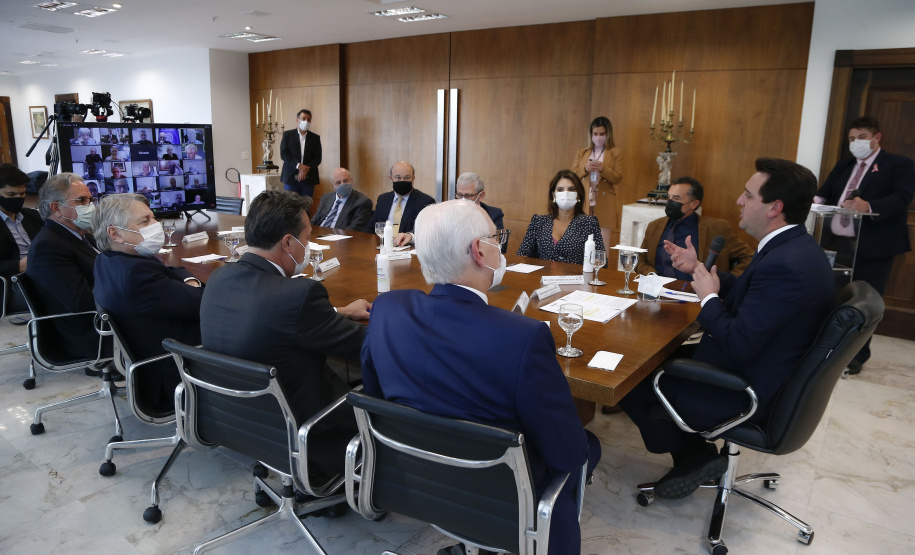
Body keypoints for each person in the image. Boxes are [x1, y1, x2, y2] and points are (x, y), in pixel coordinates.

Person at [361, 200, 601, 554]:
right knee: (587, 446)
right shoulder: (524, 336)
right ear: (479, 251)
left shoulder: (386, 309)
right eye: (496, 237)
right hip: (503, 502)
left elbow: (375, 397)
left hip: (414, 482)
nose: (499, 244)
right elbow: (566, 455)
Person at [619, 158, 835, 500]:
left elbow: (737, 343)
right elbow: (756, 296)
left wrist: (707, 300)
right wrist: (700, 273)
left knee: (629, 375)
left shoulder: (786, 266)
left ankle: (693, 455)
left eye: (748, 196)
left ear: (774, 207)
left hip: (747, 388)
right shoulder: (794, 249)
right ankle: (694, 454)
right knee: (654, 359)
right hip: (764, 366)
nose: (739, 200)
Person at [200, 191, 369, 478]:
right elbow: (364, 346)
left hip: (237, 419)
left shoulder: (219, 278)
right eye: (307, 238)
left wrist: (337, 311)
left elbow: (273, 318)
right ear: (288, 242)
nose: (308, 245)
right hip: (308, 427)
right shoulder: (298, 295)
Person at [814, 116, 915, 375]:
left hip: (875, 246)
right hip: (837, 243)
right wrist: (814, 201)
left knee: (863, 302)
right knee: (834, 297)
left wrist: (868, 206)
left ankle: (856, 356)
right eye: (851, 139)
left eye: (861, 137)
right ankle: (826, 350)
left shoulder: (898, 164)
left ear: (876, 137)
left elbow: (902, 198)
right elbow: (824, 191)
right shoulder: (845, 165)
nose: (855, 143)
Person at [92, 194, 202, 408]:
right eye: (144, 221)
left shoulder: (111, 260)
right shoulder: (136, 275)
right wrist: (194, 286)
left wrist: (188, 279)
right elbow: (203, 304)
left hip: (159, 357)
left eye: (153, 218)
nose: (156, 225)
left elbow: (172, 270)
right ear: (115, 233)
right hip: (175, 371)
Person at [26, 173, 113, 372]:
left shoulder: (80, 235)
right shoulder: (48, 246)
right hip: (91, 332)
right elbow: (82, 302)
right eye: (82, 200)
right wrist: (130, 289)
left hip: (107, 318)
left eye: (90, 200)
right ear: (56, 208)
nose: (90, 206)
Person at [636, 176, 753, 279]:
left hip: (695, 295)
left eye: (676, 199)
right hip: (657, 292)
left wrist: (729, 281)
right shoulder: (655, 226)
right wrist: (652, 276)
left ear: (694, 204)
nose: (670, 203)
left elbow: (749, 256)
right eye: (669, 198)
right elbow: (640, 260)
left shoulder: (717, 228)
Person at [516, 169, 605, 265]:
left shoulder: (589, 222)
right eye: (560, 190)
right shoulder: (539, 221)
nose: (565, 193)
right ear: (554, 195)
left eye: (571, 189)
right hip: (542, 277)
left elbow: (602, 261)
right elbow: (522, 255)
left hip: (575, 278)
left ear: (578, 194)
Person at [0, 165, 43, 313]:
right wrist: (19, 266)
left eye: (22, 194)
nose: (18, 199)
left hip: (42, 273)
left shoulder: (32, 216)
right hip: (13, 283)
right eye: (11, 195)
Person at [364, 161, 435, 243]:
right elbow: (371, 228)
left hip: (407, 248)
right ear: (391, 179)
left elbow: (427, 232)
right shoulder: (383, 199)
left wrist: (410, 237)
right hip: (383, 247)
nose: (402, 180)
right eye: (398, 177)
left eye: (407, 177)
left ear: (413, 179)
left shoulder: (425, 201)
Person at [571, 116, 623, 226]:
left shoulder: (615, 152)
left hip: (604, 199)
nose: (598, 137)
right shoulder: (582, 152)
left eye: (602, 134)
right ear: (591, 134)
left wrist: (603, 169)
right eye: (595, 134)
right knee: (582, 238)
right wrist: (585, 168)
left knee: (602, 239)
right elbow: (572, 175)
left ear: (608, 134)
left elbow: (617, 178)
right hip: (584, 197)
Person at [453, 171, 506, 253]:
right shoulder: (447, 212)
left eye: (468, 195)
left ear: (481, 196)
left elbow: (498, 247)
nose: (463, 199)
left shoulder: (494, 214)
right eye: (459, 195)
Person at [279, 109, 322, 198]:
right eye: (303, 118)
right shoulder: (288, 135)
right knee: (290, 207)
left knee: (306, 206)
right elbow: (284, 154)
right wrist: (299, 166)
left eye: (308, 119)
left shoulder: (315, 138)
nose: (306, 121)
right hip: (290, 176)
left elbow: (317, 158)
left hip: (309, 177)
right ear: (297, 120)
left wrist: (305, 170)